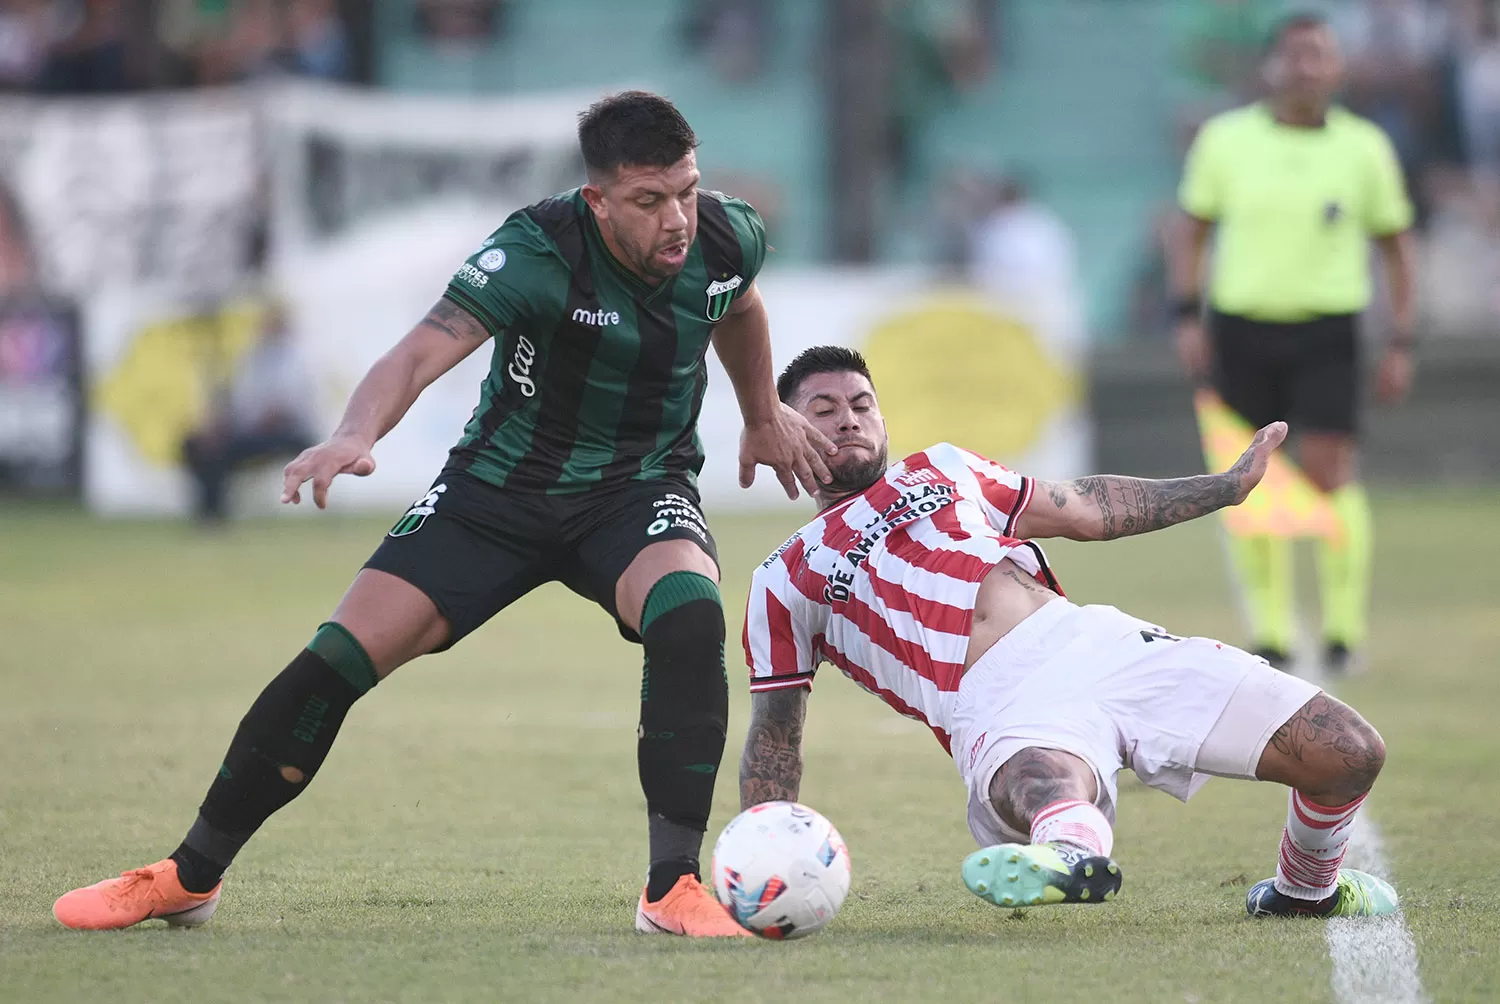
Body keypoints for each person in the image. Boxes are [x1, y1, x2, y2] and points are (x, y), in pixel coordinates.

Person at [53, 91, 834, 938]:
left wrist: (761, 414)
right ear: (598, 199)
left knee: (689, 615)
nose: (676, 218)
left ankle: (672, 887)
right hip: (496, 491)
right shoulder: (536, 250)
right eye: (650, 201)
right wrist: (352, 432)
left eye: (684, 190)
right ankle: (188, 875)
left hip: (637, 486)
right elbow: (423, 347)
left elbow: (739, 303)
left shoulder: (725, 234)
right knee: (335, 660)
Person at [739, 346, 1396, 919]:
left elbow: (1087, 506)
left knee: (1349, 751)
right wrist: (758, 852)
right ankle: (1069, 860)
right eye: (822, 409)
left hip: (1094, 643)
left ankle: (1304, 892)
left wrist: (1223, 488)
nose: (848, 417)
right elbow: (774, 735)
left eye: (861, 403)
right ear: (785, 427)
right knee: (1045, 780)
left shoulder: (943, 469)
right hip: (995, 702)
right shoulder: (782, 577)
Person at [1169, 12, 1418, 674]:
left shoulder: (1363, 148)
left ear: (1337, 68)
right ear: (1272, 67)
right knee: (1248, 479)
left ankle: (1342, 631)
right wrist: (1187, 316)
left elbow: (1396, 247)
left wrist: (1401, 339)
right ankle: (1272, 634)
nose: (1308, 67)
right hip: (1240, 327)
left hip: (1328, 329)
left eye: (1320, 55)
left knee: (1330, 468)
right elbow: (1190, 230)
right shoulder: (1225, 141)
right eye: (1296, 55)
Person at [180, 305, 316, 523]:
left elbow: (282, 409)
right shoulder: (252, 358)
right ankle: (210, 512)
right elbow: (239, 403)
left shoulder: (297, 359)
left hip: (287, 431)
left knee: (225, 449)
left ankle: (213, 515)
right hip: (251, 429)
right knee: (197, 445)